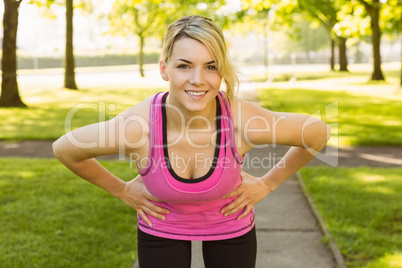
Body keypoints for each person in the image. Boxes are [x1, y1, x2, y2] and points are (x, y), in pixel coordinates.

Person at [53, 15, 330, 268]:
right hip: (161, 226)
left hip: (230, 227)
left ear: (221, 72)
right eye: (184, 66)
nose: (198, 80)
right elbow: (65, 149)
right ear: (164, 69)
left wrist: (267, 183)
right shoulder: (138, 128)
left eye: (211, 67)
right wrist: (121, 190)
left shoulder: (242, 122)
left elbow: (316, 133)